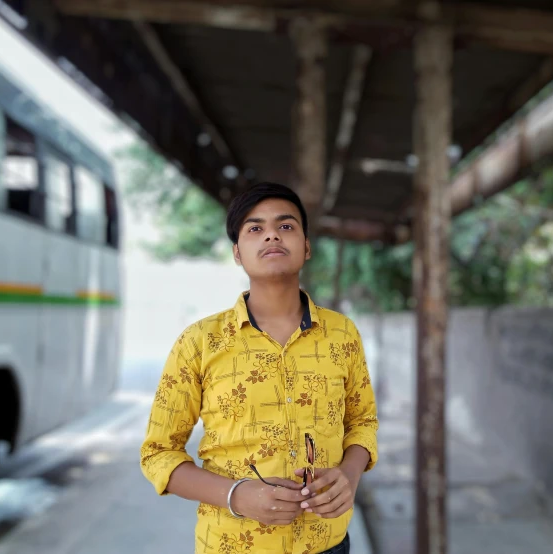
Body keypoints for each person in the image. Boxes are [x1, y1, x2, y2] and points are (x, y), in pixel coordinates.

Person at [140, 182, 378, 554]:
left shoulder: (342, 334)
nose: (271, 234)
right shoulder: (199, 342)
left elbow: (362, 421)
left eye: (286, 226)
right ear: (238, 253)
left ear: (306, 246)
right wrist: (237, 495)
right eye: (255, 228)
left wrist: (349, 476)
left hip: (328, 544)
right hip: (232, 546)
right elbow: (158, 453)